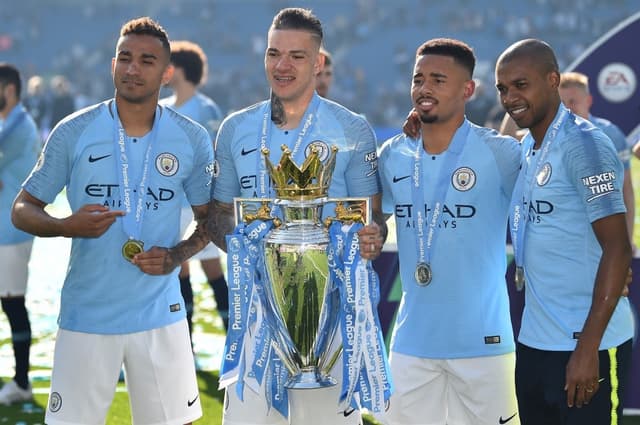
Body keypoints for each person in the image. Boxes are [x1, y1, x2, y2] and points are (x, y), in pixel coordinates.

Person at [11, 17, 213, 425]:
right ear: (112, 64)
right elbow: (22, 209)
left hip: (161, 316)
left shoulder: (191, 137)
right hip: (87, 316)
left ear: (167, 72)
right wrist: (68, 225)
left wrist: (177, 254)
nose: (133, 68)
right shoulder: (74, 131)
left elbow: (212, 220)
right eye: (125, 58)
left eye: (147, 60)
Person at [208, 7, 387, 425]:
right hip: (256, 315)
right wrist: (248, 253)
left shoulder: (352, 129)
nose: (282, 65)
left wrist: (372, 237)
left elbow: (372, 216)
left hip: (329, 322)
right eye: (273, 54)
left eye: (296, 56)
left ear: (319, 62)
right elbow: (218, 214)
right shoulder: (235, 128)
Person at [378, 38, 521, 425]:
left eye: (439, 80)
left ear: (468, 90)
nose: (424, 88)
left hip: (484, 344)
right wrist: (371, 232)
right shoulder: (393, 154)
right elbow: (373, 218)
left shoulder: (501, 154)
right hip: (411, 344)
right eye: (418, 79)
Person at [495, 38, 633, 425]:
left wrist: (588, 349)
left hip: (589, 347)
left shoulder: (583, 144)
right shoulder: (530, 147)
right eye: (502, 88)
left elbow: (618, 248)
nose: (509, 97)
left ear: (552, 80)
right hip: (535, 343)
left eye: (521, 85)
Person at [161, 39, 229, 334]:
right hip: (169, 205)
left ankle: (233, 339)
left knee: (212, 270)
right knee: (179, 270)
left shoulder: (206, 108)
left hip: (198, 205)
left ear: (179, 69)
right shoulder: (160, 108)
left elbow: (215, 157)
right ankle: (185, 342)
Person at [0, 63, 40, 405]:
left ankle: (22, 380)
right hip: (7, 230)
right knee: (9, 303)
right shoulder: (13, 123)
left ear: (9, 89)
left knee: (13, 304)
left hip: (11, 232)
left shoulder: (17, 126)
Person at [558, 71, 635, 247]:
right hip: (565, 237)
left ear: (589, 101)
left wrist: (627, 240)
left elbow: (626, 190)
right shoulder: (548, 136)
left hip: (602, 237)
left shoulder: (611, 134)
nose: (568, 109)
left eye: (573, 102)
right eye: (562, 103)